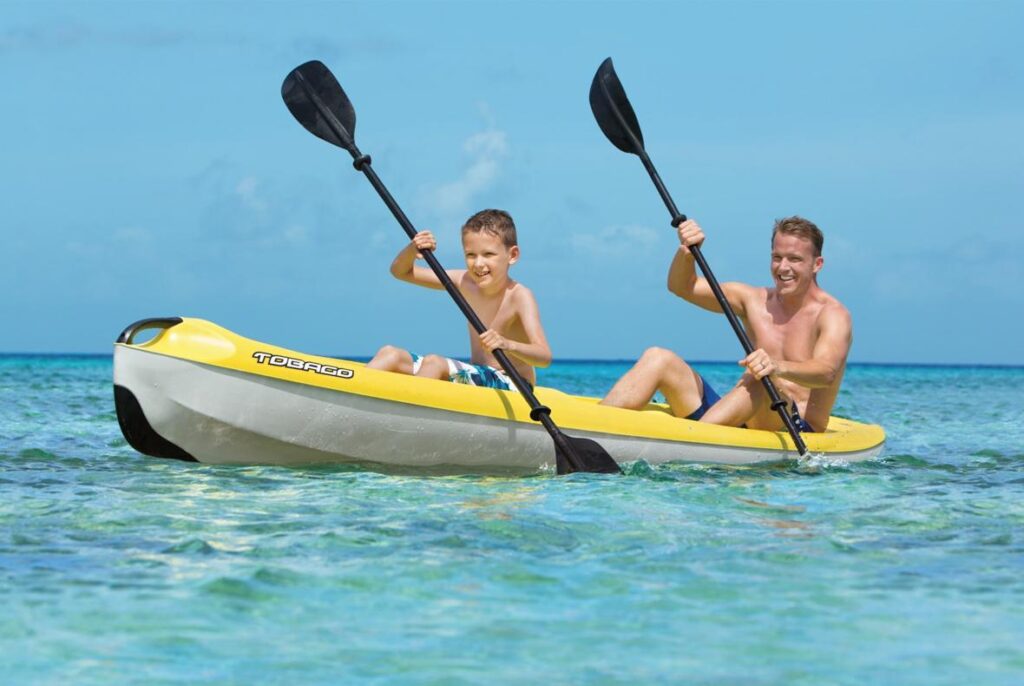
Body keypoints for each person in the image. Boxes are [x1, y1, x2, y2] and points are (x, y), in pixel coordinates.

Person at [600, 216, 851, 433]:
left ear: (817, 264)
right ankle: (597, 432)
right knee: (658, 358)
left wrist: (775, 367)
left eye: (795, 259)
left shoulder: (832, 315)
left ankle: (692, 442)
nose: (783, 267)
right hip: (736, 421)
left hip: (794, 427)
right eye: (777, 257)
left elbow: (826, 372)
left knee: (762, 379)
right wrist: (687, 252)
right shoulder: (753, 300)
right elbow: (683, 287)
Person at [366, 209, 551, 392]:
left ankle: (406, 416)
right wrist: (412, 249)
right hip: (477, 374)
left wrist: (507, 344)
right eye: (471, 255)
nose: (478, 263)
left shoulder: (519, 296)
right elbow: (401, 272)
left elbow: (543, 356)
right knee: (390, 354)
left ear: (512, 255)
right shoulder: (463, 281)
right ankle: (356, 402)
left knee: (434, 363)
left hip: (512, 382)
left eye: (488, 254)